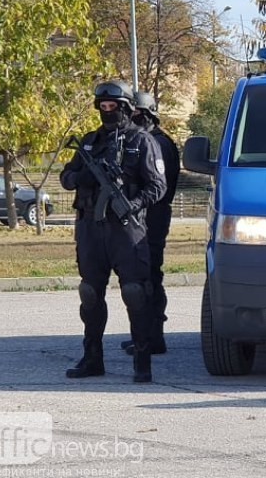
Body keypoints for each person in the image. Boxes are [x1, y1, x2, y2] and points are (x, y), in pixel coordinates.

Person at [60, 80, 166, 383]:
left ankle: (142, 362)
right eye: (103, 107)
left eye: (114, 107)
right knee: (90, 293)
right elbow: (66, 177)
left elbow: (158, 186)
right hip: (91, 229)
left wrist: (133, 203)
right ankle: (92, 358)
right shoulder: (90, 142)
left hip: (126, 229)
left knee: (135, 293)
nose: (108, 112)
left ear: (127, 109)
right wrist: (84, 177)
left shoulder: (143, 141)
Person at [120, 91, 181, 357]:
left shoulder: (158, 143)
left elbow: (157, 186)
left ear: (144, 114)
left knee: (149, 275)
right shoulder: (149, 139)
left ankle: (153, 337)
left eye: (132, 113)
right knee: (144, 275)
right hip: (146, 215)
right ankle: (146, 334)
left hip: (153, 216)